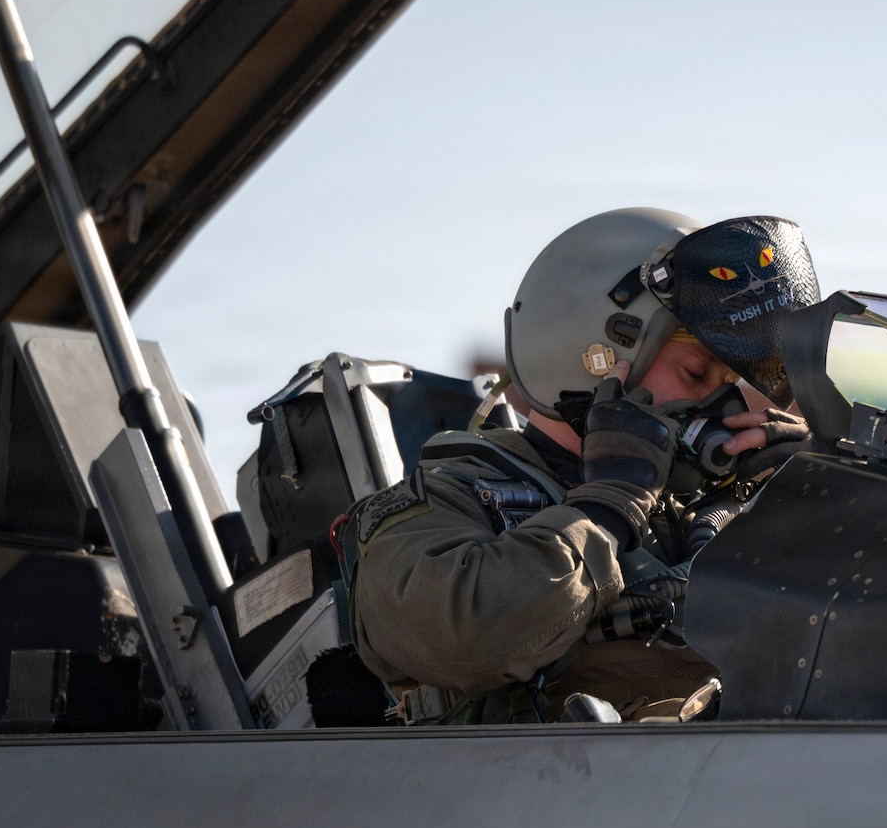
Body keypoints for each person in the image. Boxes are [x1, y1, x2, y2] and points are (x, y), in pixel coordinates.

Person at [343, 208, 820, 723]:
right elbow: (460, 632)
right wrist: (608, 507)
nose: (722, 406)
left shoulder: (705, 516)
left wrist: (822, 497)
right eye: (696, 371)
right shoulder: (445, 503)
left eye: (727, 383)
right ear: (591, 352)